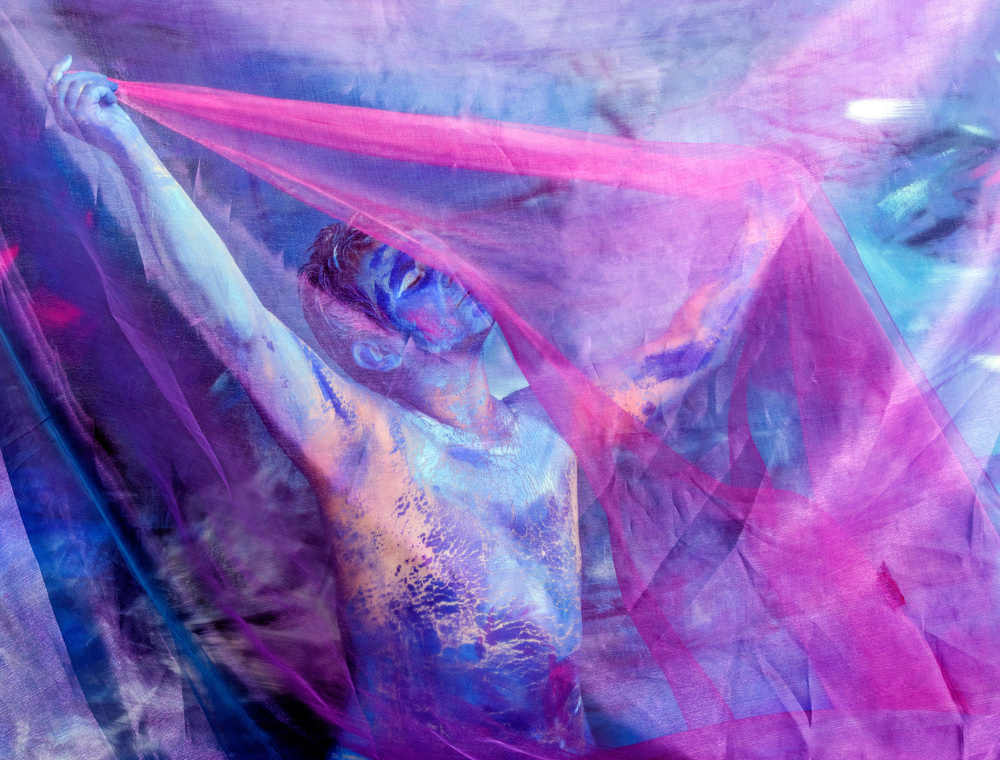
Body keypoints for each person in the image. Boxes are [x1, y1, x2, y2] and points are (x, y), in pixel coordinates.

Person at [45, 56, 593, 755]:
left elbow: (680, 347)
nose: (449, 275)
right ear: (378, 350)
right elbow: (242, 331)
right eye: (414, 277)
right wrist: (126, 147)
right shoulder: (375, 448)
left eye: (441, 258)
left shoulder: (545, 429)